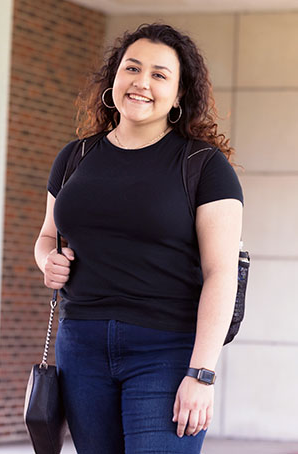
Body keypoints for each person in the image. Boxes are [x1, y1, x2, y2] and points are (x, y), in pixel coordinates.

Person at [34, 22, 243, 454]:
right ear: (113, 78)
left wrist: (201, 373)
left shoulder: (204, 166)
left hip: (167, 350)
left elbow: (222, 274)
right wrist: (45, 261)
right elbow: (47, 236)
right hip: (83, 347)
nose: (141, 82)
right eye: (132, 68)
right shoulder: (76, 157)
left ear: (180, 95)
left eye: (159, 74)